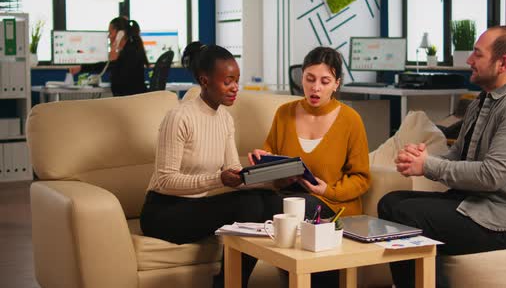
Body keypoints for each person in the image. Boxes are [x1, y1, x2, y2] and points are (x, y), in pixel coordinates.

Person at [377, 25, 506, 288]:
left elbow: (490, 176)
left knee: (408, 214)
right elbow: (458, 157)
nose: (469, 61)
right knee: (390, 202)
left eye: (477, 54)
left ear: (502, 63)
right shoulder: (481, 101)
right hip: (474, 203)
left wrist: (429, 167)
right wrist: (425, 159)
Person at [140, 42, 273, 288]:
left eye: (237, 81)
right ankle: (229, 284)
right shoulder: (179, 117)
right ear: (205, 80)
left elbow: (233, 169)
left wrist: (271, 179)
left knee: (266, 199)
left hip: (197, 205)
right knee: (249, 203)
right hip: (163, 212)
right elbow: (165, 180)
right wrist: (219, 179)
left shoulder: (224, 118)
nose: (235, 88)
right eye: (228, 81)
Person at [249, 46, 371, 285]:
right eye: (310, 79)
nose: (316, 88)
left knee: (278, 206)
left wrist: (327, 190)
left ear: (336, 84)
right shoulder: (284, 113)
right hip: (289, 198)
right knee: (249, 203)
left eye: (325, 81)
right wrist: (262, 161)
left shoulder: (350, 120)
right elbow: (271, 160)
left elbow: (362, 177)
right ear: (301, 77)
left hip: (330, 204)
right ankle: (228, 281)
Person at [70, 16, 148, 96]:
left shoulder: (131, 52)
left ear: (120, 34)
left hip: (131, 101)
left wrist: (114, 51)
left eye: (110, 33)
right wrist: (81, 68)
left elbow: (122, 78)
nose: (108, 36)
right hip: (125, 100)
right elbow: (106, 66)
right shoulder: (126, 51)